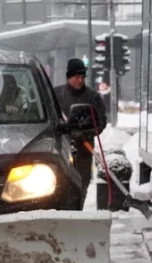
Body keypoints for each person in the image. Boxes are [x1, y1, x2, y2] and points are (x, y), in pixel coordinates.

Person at [54, 58, 108, 207]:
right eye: (76, 77)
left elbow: (101, 121)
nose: (80, 80)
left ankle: (78, 210)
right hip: (61, 149)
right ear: (69, 77)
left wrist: (89, 132)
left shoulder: (92, 97)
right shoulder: (56, 95)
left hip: (84, 150)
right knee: (60, 184)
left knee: (82, 183)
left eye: (82, 77)